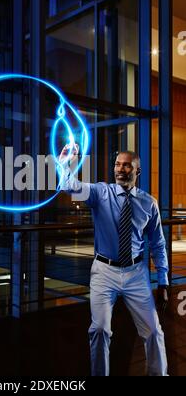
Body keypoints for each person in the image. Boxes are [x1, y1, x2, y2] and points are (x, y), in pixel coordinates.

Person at [59, 145, 169, 376]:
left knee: (153, 331)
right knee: (99, 329)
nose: (120, 169)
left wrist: (163, 280)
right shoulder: (101, 193)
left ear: (137, 171)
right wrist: (65, 164)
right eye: (117, 164)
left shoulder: (149, 203)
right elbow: (70, 186)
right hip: (104, 272)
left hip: (136, 272)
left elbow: (158, 244)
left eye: (127, 165)